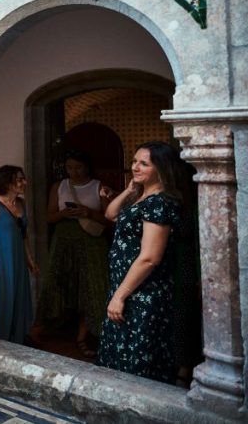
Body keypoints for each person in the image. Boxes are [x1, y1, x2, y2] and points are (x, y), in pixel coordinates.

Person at [97, 141, 182, 383]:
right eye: (134, 161)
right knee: (120, 355)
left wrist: (120, 295)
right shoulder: (142, 196)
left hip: (143, 293)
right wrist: (130, 189)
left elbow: (149, 257)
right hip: (127, 289)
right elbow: (110, 214)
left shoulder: (159, 203)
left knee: (138, 362)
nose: (135, 166)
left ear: (161, 168)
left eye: (144, 163)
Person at [32, 149, 110, 358]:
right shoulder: (59, 186)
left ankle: (86, 336)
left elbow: (111, 218)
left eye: (78, 167)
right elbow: (48, 217)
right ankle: (42, 328)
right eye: (69, 167)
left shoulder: (98, 186)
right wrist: (63, 214)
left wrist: (88, 212)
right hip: (64, 240)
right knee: (56, 282)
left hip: (91, 242)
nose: (73, 171)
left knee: (91, 286)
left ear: (87, 167)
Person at [0, 165, 39, 344]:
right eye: (19, 180)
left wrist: (30, 260)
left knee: (18, 295)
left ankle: (17, 337)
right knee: (1, 297)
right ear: (8, 183)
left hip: (17, 259)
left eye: (23, 179)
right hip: (0, 260)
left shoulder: (21, 204)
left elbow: (24, 235)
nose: (24, 182)